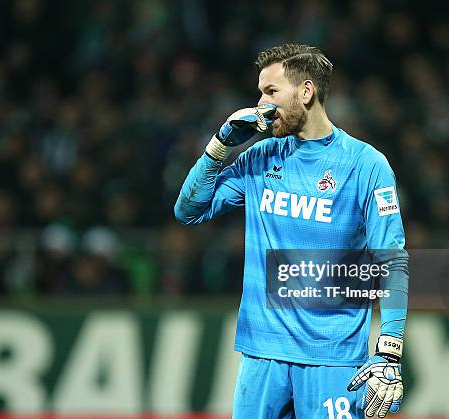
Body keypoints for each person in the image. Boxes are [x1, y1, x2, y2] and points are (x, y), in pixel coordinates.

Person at [174, 44, 408, 419]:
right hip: (262, 354)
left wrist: (389, 350)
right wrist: (219, 148)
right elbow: (188, 211)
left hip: (334, 359)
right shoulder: (259, 158)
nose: (260, 105)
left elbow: (391, 260)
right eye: (260, 93)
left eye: (270, 92)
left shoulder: (367, 165)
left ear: (306, 92)